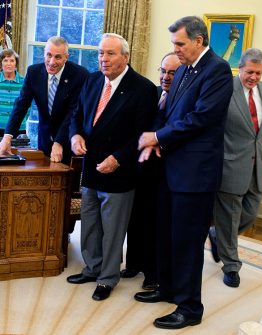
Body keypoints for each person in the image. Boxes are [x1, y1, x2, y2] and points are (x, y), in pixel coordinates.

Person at [135, 16, 233, 329]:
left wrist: (159, 137)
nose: (175, 49)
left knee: (188, 243)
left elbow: (202, 117)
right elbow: (167, 112)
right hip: (171, 168)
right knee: (166, 234)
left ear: (199, 41)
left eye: (180, 43)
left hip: (195, 175)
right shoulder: (184, 69)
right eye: (174, 44)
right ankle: (167, 288)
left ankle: (190, 308)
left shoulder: (217, 70)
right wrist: (156, 138)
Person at [66, 33, 157, 301]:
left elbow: (143, 133)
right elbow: (77, 116)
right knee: (90, 223)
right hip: (91, 167)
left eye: (110, 54)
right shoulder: (92, 80)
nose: (103, 59)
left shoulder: (143, 88)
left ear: (125, 57)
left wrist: (118, 158)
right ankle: (92, 268)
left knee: (113, 229)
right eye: (100, 53)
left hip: (120, 170)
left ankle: (107, 278)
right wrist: (75, 136)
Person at [209, 48, 262, 288]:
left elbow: (257, 132)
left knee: (250, 213)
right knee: (229, 215)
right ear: (240, 68)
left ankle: (217, 235)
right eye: (249, 72)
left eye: (258, 73)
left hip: (256, 164)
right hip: (229, 163)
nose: (253, 77)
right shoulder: (226, 90)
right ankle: (231, 266)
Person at [121, 52, 180, 290]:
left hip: (165, 169)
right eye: (163, 71)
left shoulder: (181, 99)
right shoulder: (151, 93)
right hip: (141, 167)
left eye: (172, 73)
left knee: (157, 223)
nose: (166, 77)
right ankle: (134, 263)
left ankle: (152, 273)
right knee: (136, 218)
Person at [0, 36, 88, 164]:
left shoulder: (80, 75)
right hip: (44, 139)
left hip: (69, 140)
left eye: (58, 57)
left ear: (66, 57)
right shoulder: (33, 72)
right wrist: (7, 137)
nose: (51, 61)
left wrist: (59, 141)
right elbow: (21, 105)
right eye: (48, 55)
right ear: (44, 54)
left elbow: (72, 113)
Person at [0, 48, 27, 139]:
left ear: (16, 64)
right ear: (0, 63)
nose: (8, 64)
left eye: (12, 60)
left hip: (18, 128)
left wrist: (22, 119)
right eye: (5, 60)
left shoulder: (24, 82)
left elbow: (28, 105)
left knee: (16, 153)